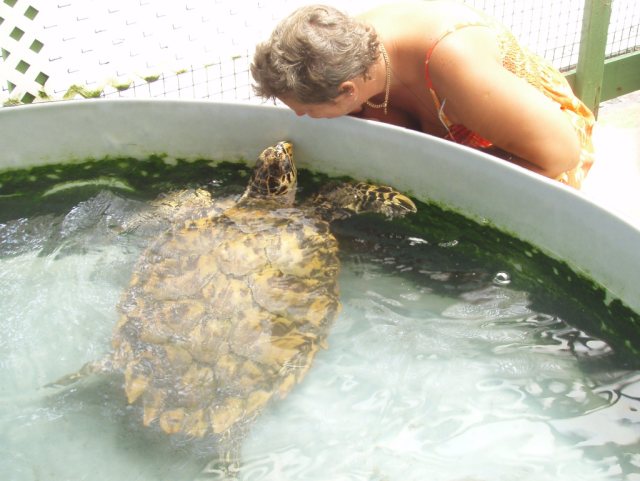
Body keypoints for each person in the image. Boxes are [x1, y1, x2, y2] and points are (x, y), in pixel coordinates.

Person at [251, 2, 595, 189]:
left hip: (538, 136)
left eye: (307, 111)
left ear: (347, 92)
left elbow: (561, 155)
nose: (300, 117)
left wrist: (451, 181)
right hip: (449, 112)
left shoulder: (454, 63)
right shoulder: (336, 51)